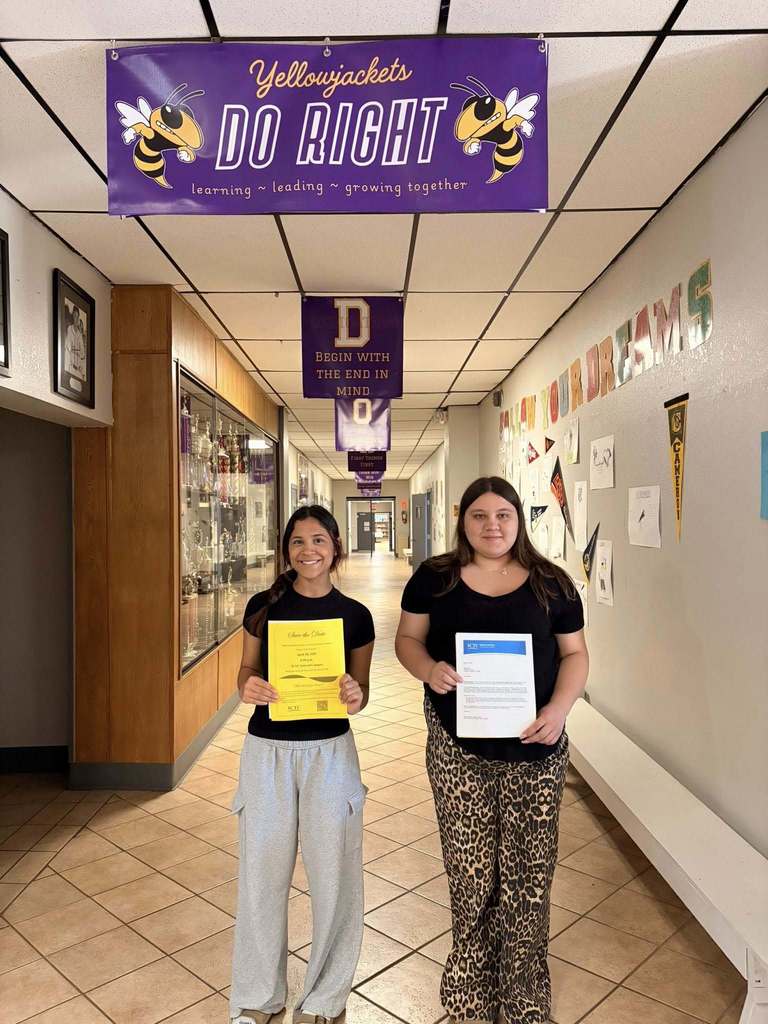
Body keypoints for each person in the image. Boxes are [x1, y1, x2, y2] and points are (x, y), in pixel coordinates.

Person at [395, 476, 588, 1024]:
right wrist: (428, 669)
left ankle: (524, 994)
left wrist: (559, 710)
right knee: (471, 873)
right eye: (479, 516)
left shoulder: (552, 583)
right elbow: (407, 640)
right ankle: (469, 992)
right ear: (463, 521)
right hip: (460, 755)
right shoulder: (434, 579)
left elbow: (575, 655)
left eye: (503, 515)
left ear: (518, 519)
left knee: (528, 878)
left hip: (536, 754)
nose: (492, 526)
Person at [230, 506, 374, 1024]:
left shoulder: (356, 616)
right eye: (297, 541)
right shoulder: (262, 606)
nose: (307, 550)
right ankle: (259, 994)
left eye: (318, 540)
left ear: (335, 546)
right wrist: (248, 686)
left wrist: (354, 694)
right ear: (285, 548)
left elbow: (360, 694)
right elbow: (245, 671)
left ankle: (324, 999)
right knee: (262, 875)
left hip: (330, 754)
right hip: (267, 752)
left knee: (335, 877)